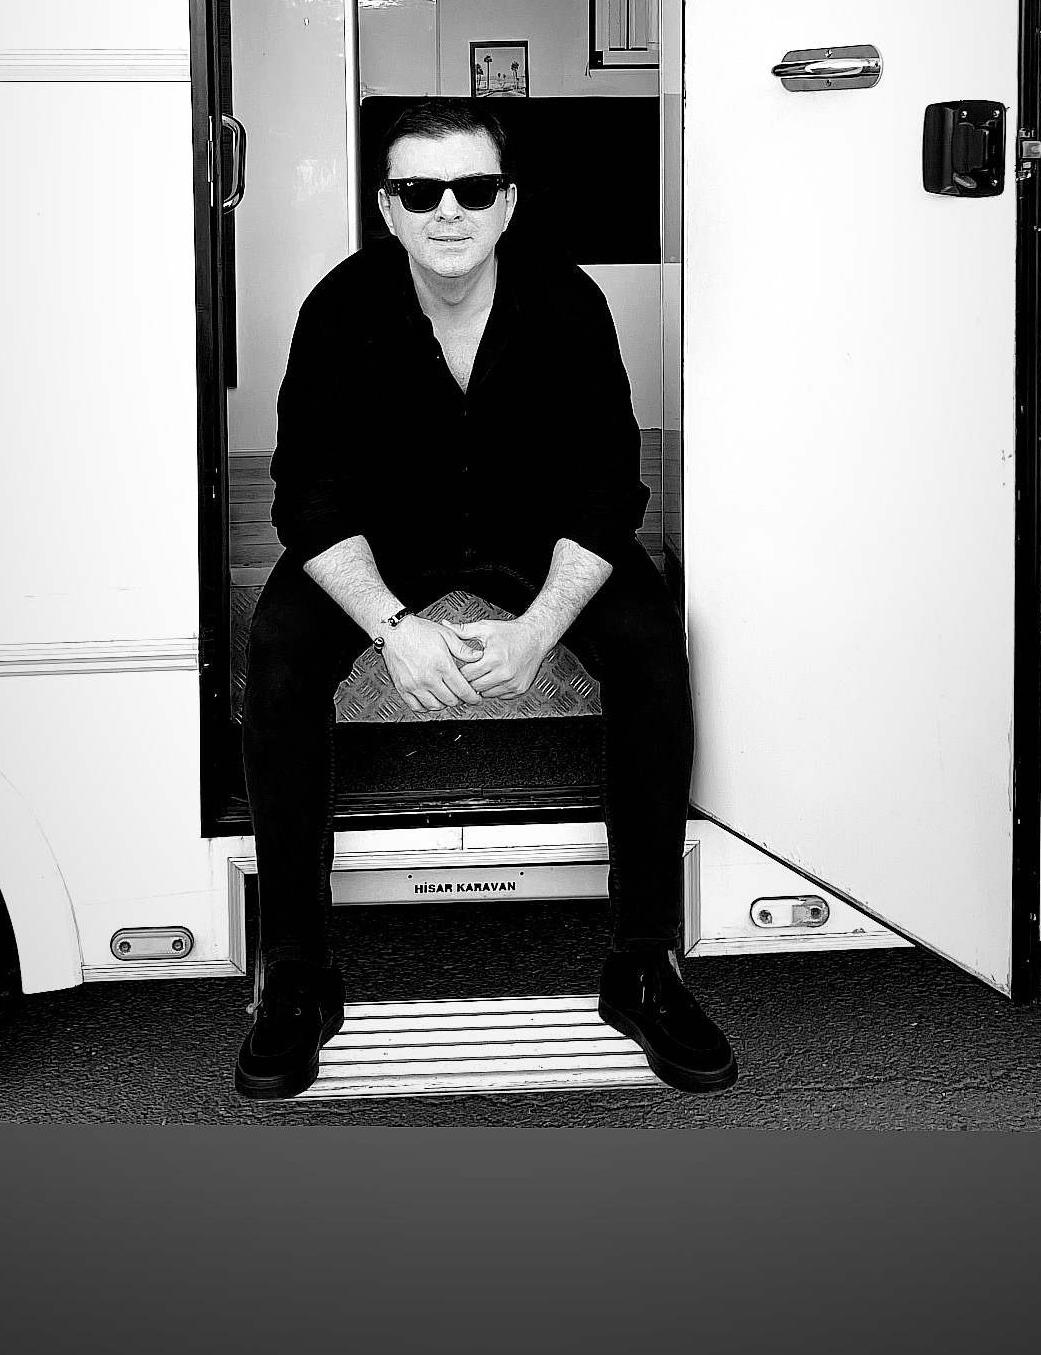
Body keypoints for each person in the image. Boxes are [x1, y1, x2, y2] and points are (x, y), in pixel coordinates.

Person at [236, 97, 738, 1101]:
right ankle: (297, 970)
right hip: (387, 542)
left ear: (507, 203)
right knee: (280, 649)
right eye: (421, 191)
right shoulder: (338, 311)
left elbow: (608, 487)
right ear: (388, 208)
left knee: (649, 644)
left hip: (536, 537)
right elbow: (307, 496)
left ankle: (642, 962)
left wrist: (541, 626)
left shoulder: (569, 302)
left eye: (473, 188)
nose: (448, 211)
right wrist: (392, 626)